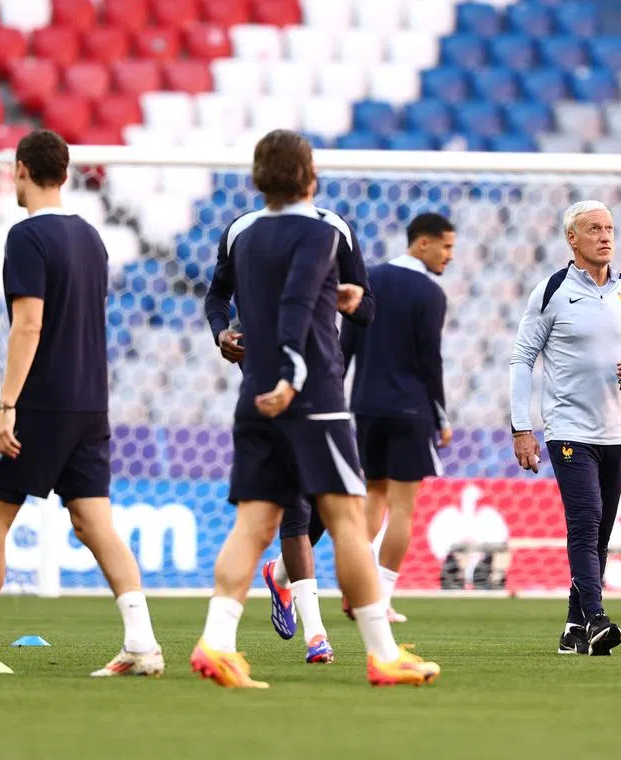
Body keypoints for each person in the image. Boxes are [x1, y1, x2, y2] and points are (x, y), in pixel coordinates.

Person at [191, 130, 439, 688]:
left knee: (253, 523)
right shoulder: (323, 231)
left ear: (259, 179)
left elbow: (354, 305)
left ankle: (217, 642)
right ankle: (383, 653)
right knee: (348, 521)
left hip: (255, 392)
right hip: (313, 396)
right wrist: (293, 374)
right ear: (311, 176)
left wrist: (347, 300)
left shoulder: (244, 234)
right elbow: (298, 309)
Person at [0, 130, 162, 677]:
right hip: (89, 402)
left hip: (40, 405)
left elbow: (29, 324)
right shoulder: (92, 238)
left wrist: (8, 406)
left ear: (20, 170)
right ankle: (143, 643)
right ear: (66, 174)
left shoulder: (27, 237)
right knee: (95, 521)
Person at [205, 193, 373, 665]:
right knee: (293, 510)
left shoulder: (332, 230)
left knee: (327, 506)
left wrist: (350, 302)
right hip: (267, 385)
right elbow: (217, 295)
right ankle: (318, 636)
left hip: (321, 387)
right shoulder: (242, 231)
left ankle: (276, 579)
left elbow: (367, 307)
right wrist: (221, 331)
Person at [509, 200, 621, 656]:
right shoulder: (551, 290)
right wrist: (522, 427)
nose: (605, 235)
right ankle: (597, 618)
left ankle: (573, 629)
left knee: (600, 534)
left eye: (610, 227)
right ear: (571, 239)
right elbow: (522, 358)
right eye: (594, 228)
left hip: (618, 430)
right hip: (569, 428)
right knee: (585, 522)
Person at [339, 212, 455, 623]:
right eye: (446, 246)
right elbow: (430, 362)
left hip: (366, 407)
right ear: (422, 243)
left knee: (373, 496)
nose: (450, 256)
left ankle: (357, 590)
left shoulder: (367, 282)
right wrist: (441, 416)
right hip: (410, 410)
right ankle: (380, 598)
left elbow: (343, 348)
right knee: (403, 507)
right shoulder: (430, 294)